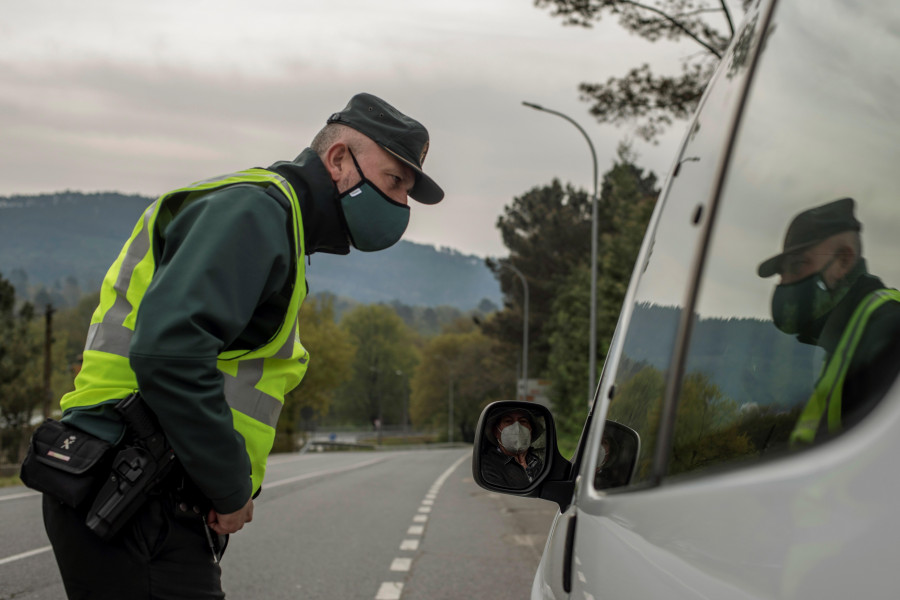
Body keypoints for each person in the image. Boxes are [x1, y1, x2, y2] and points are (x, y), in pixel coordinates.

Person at [42, 92, 444, 599]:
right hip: (128, 483)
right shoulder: (255, 212)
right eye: (394, 181)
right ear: (339, 159)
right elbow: (170, 354)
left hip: (142, 480)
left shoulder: (279, 222)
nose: (401, 204)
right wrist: (229, 483)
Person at [757, 197, 900, 446]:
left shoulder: (886, 330)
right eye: (782, 273)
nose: (785, 283)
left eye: (798, 265)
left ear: (844, 261)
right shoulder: (846, 336)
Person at [481, 408, 544, 488]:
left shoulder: (538, 461)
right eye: (508, 421)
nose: (517, 427)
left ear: (530, 430)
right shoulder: (487, 466)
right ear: (496, 432)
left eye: (523, 421)